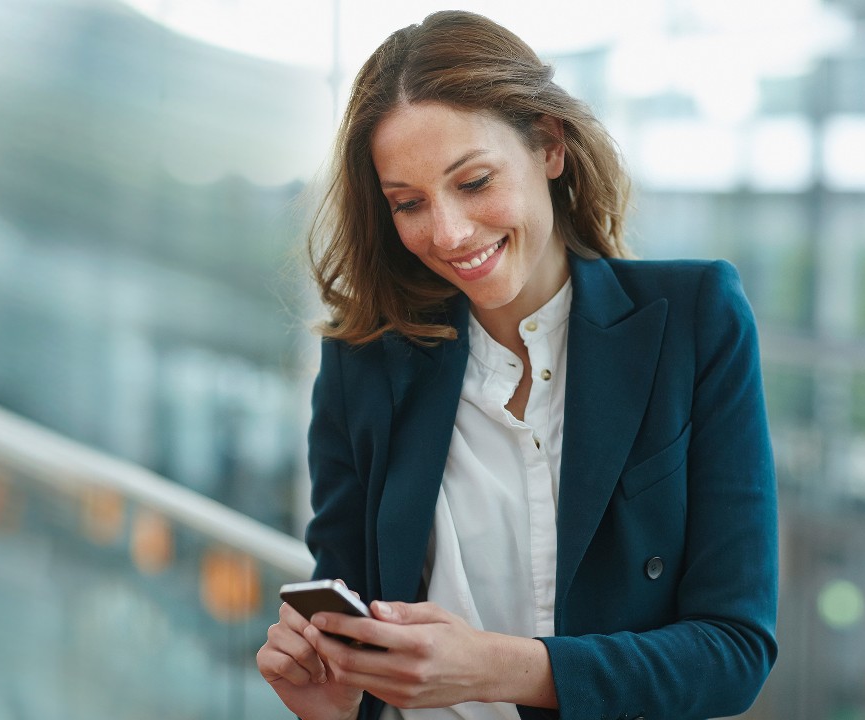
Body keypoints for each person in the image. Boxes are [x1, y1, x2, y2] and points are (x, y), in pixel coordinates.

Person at [255, 10, 778, 720]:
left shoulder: (694, 320)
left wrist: (501, 667)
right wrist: (336, 706)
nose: (447, 232)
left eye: (473, 182)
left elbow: (734, 650)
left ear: (549, 144)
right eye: (408, 203)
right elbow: (352, 636)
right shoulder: (363, 362)